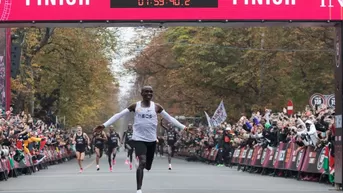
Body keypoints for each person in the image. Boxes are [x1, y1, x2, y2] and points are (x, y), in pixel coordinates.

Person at [95, 86, 187, 193]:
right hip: (138, 139)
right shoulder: (135, 106)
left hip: (152, 140)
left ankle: (143, 166)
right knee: (142, 162)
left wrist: (185, 127)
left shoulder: (156, 107)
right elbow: (119, 115)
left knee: (147, 166)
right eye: (146, 91)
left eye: (151, 92)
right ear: (142, 93)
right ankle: (139, 189)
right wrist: (104, 125)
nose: (149, 93)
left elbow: (170, 118)